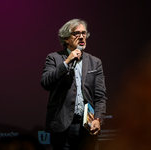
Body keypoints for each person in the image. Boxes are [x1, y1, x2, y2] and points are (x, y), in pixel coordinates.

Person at [41, 19, 107, 150]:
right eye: (76, 33)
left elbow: (100, 96)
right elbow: (45, 83)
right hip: (63, 127)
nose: (81, 36)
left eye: (84, 33)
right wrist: (66, 62)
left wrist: (98, 119)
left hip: (87, 128)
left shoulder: (95, 62)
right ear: (66, 39)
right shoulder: (54, 58)